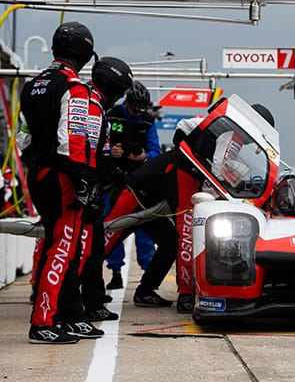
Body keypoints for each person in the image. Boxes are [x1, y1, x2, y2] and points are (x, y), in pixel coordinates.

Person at [101, 101, 275, 313]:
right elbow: (221, 169)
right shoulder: (231, 135)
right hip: (135, 193)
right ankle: (184, 295)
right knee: (105, 242)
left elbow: (194, 139)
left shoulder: (213, 130)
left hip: (154, 198)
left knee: (170, 243)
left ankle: (145, 291)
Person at [19, 21, 104, 344]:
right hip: (64, 178)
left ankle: (63, 316)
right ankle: (43, 322)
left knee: (54, 246)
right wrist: (85, 180)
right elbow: (73, 141)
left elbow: (23, 140)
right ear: (83, 53)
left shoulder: (32, 85)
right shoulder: (74, 88)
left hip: (38, 175)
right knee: (62, 249)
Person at [78, 57, 134, 322]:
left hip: (91, 185)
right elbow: (87, 151)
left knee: (93, 248)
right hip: (84, 188)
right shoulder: (91, 105)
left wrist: (112, 173)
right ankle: (83, 306)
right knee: (89, 250)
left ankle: (90, 302)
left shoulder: (93, 102)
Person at [104, 80, 160, 290]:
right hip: (112, 180)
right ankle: (115, 271)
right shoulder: (112, 116)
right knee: (113, 226)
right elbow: (99, 143)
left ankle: (148, 275)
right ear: (127, 104)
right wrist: (112, 152)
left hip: (139, 180)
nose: (138, 114)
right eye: (135, 110)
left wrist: (145, 157)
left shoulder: (147, 120)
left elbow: (155, 151)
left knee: (144, 227)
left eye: (141, 111)